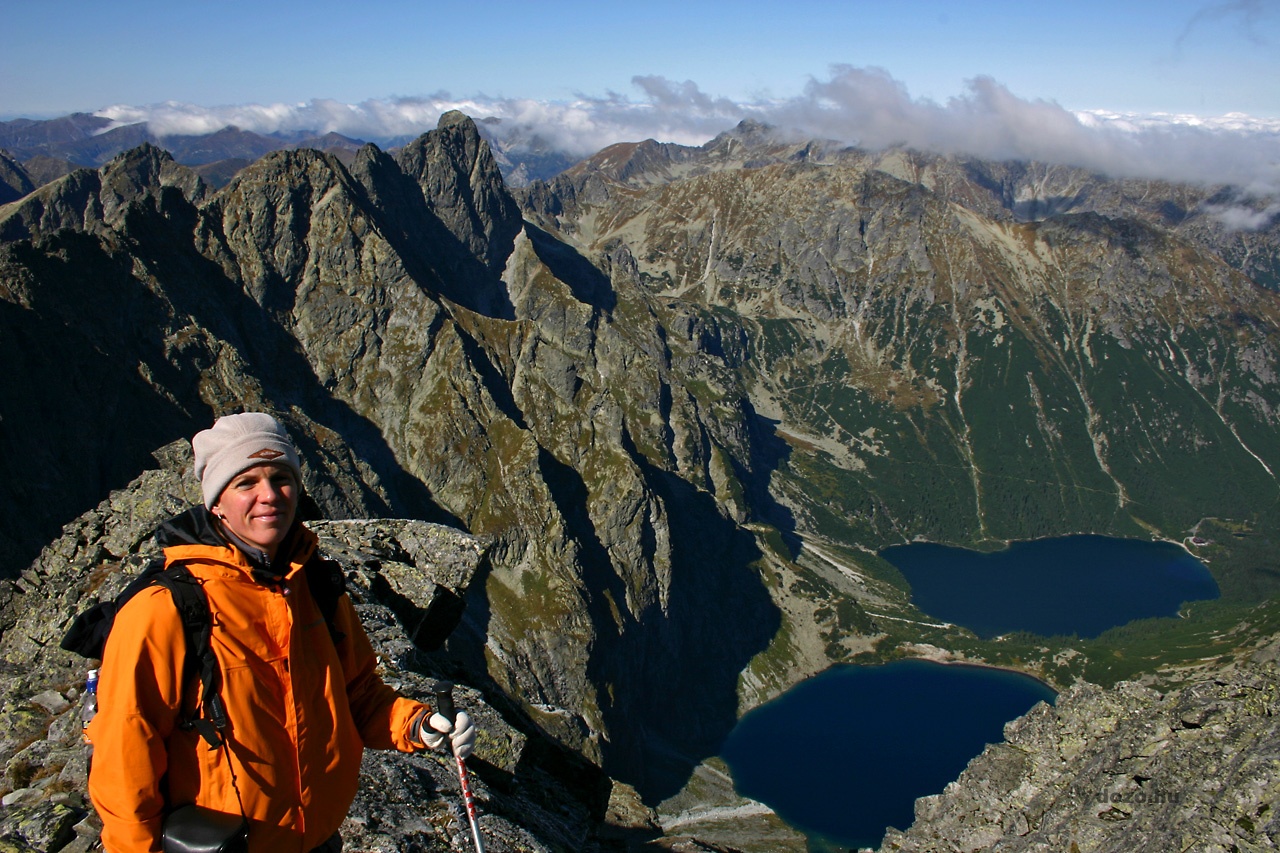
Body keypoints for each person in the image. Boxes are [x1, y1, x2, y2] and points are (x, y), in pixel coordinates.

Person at [86, 412, 476, 852]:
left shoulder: (315, 586)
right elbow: (125, 753)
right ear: (216, 501)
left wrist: (419, 724)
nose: (269, 495)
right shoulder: (166, 608)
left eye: (281, 478)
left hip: (317, 840)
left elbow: (358, 695)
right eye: (245, 483)